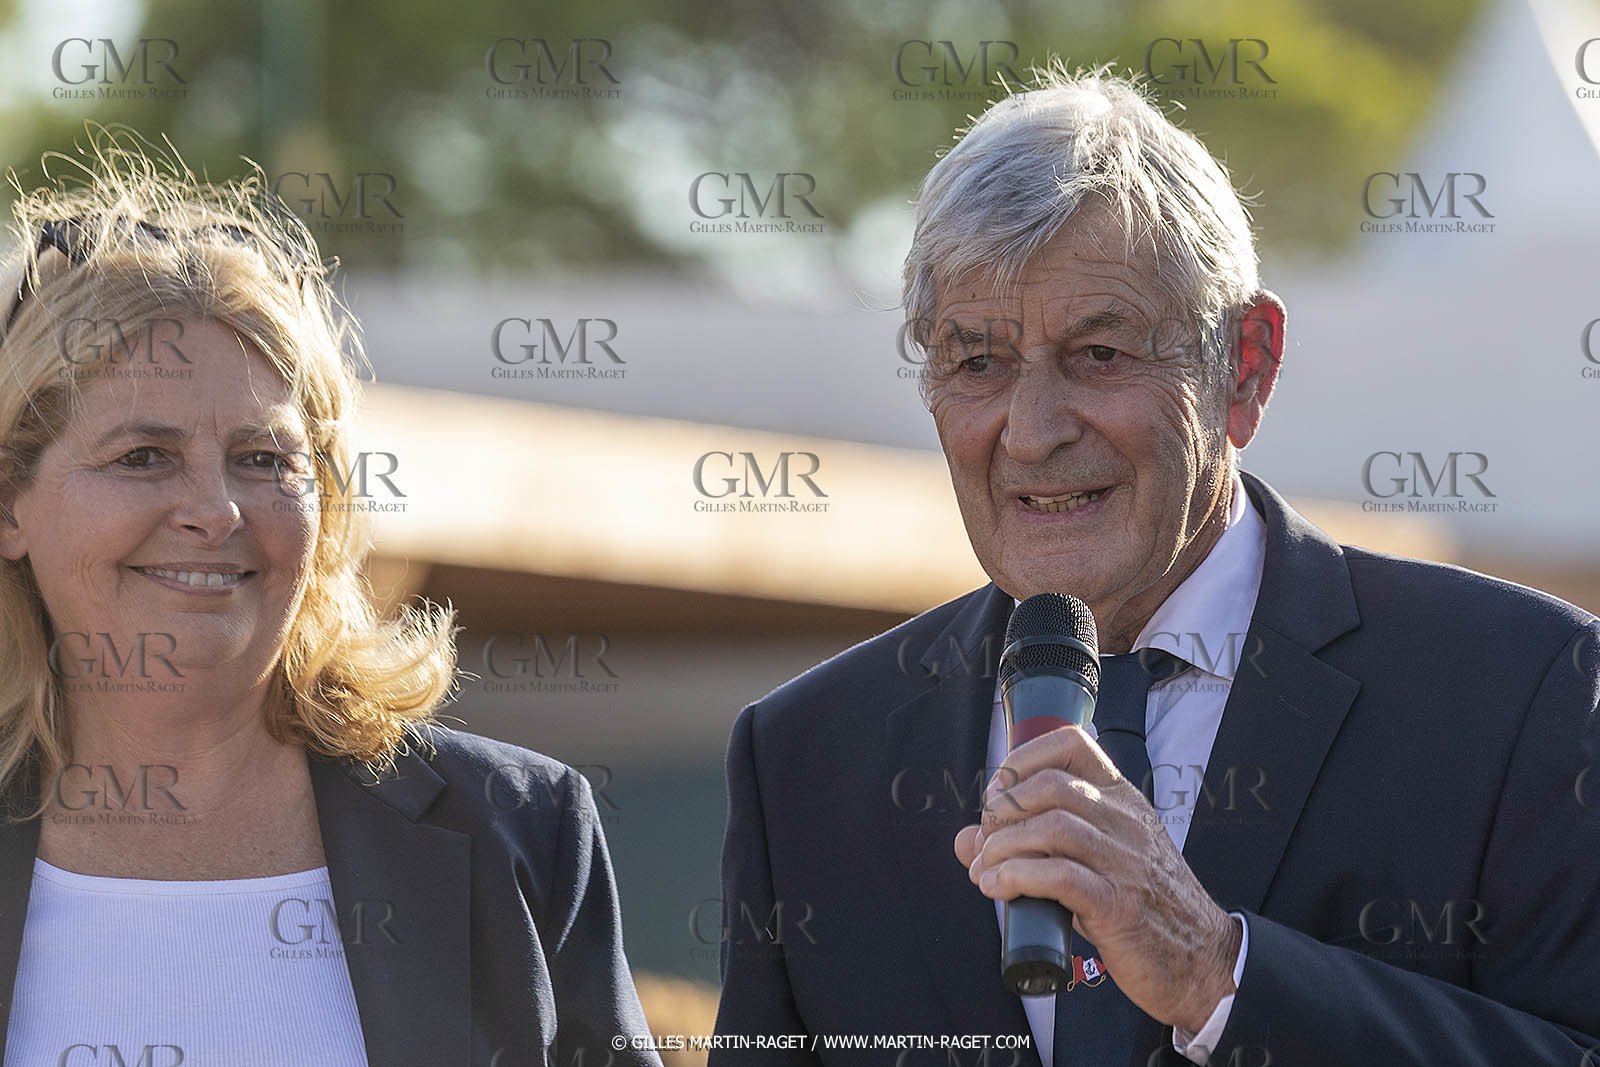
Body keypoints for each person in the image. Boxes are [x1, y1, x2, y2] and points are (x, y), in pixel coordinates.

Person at [711, 67, 1600, 1066]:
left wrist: (1220, 974)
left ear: (1246, 366)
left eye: (1099, 354)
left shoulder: (1516, 690)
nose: (1033, 432)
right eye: (978, 363)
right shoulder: (805, 757)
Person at [0, 131, 659, 1066]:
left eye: (263, 459)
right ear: (10, 504)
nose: (215, 511)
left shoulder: (520, 828)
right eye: (142, 457)